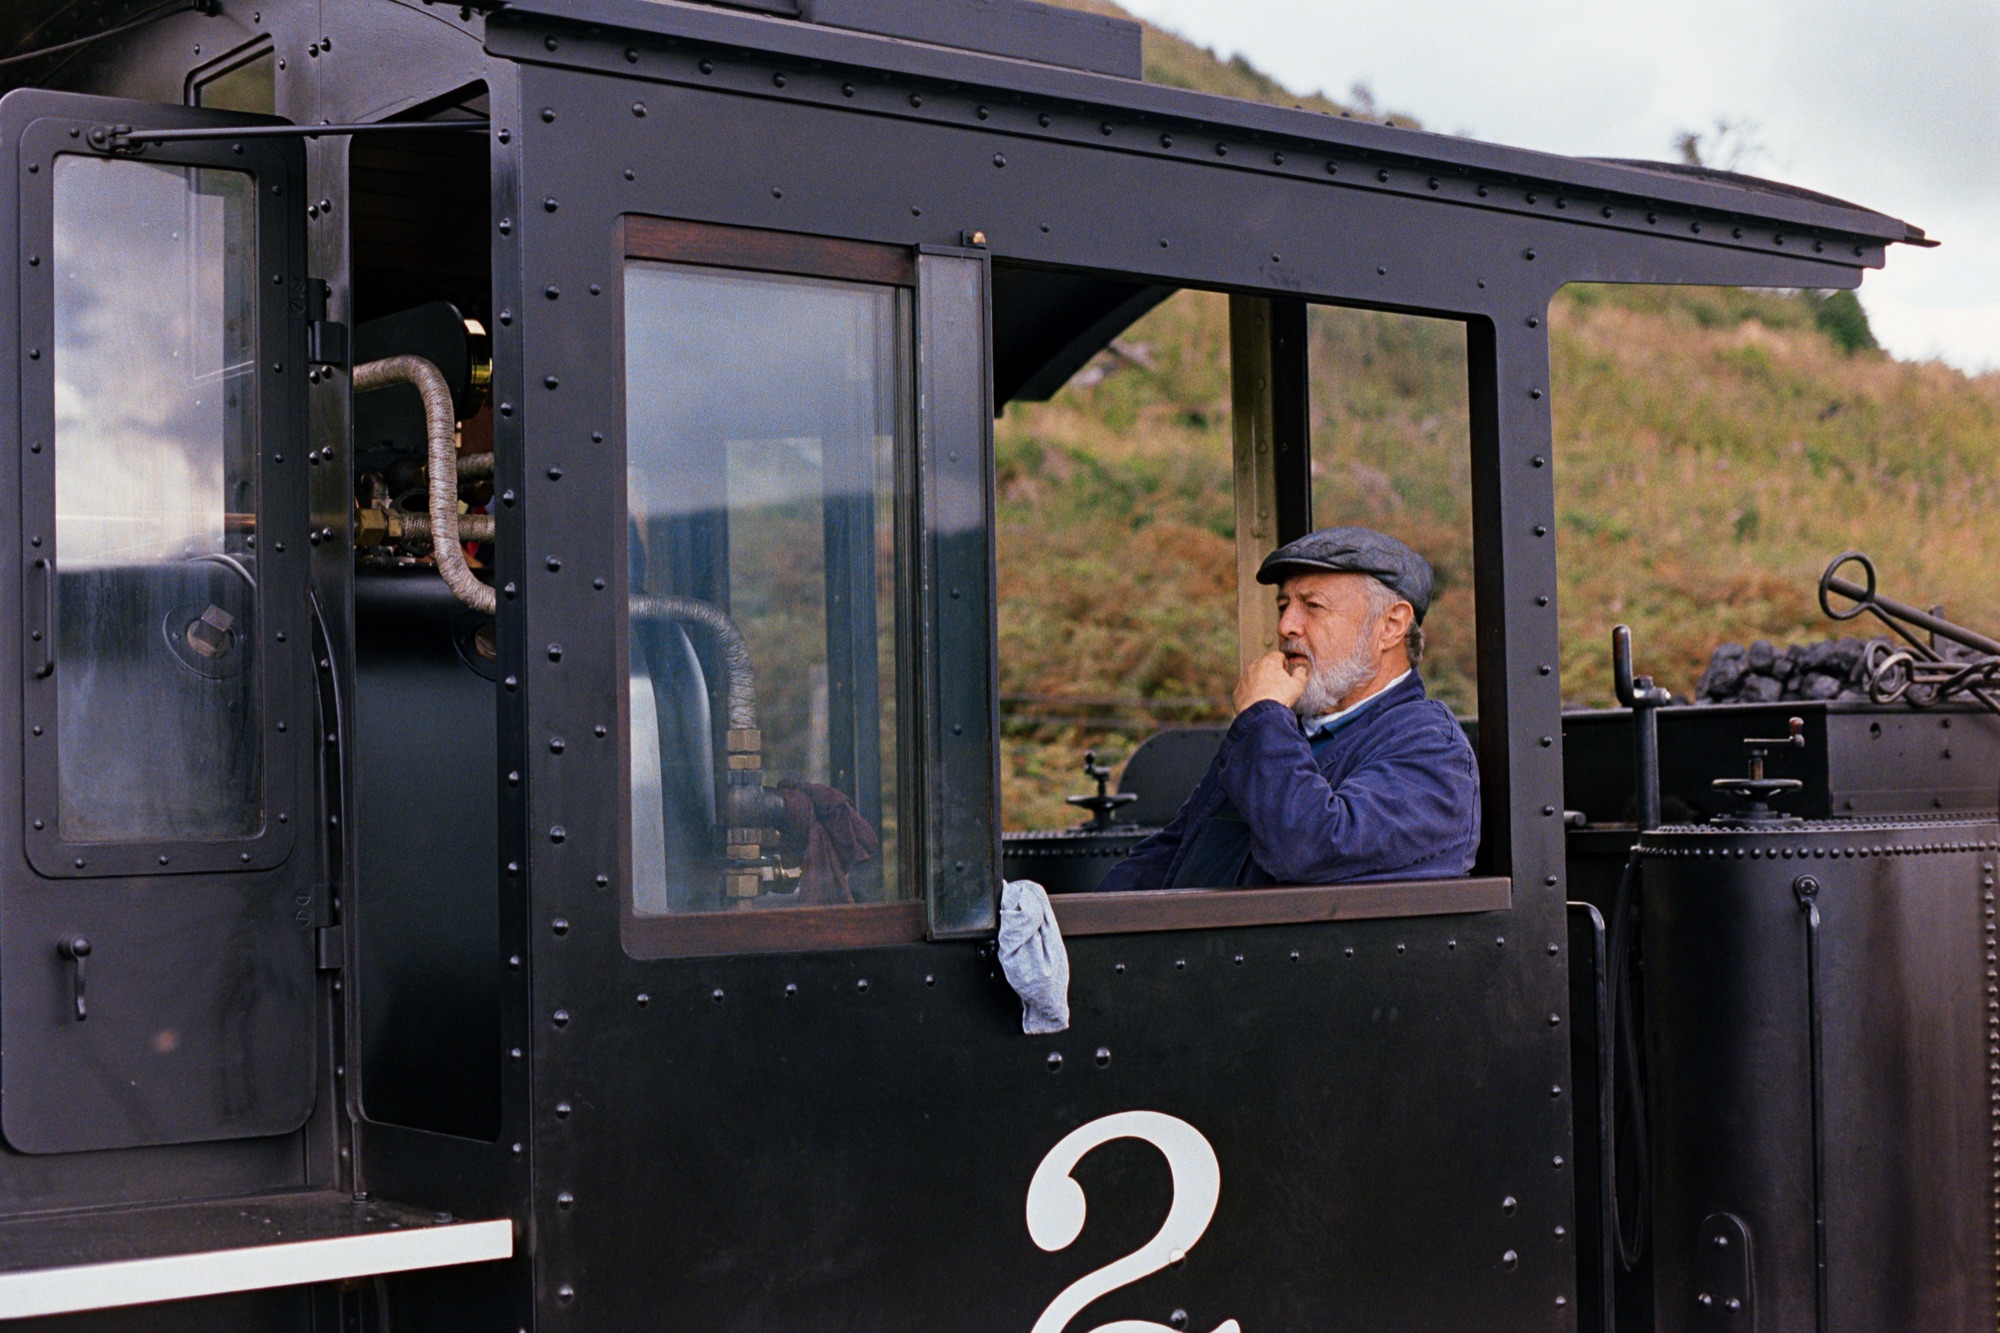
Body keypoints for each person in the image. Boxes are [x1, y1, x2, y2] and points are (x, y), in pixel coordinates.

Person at [1097, 526, 1479, 890]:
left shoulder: (1431, 749)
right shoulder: (1283, 728)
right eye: (1284, 605)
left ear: (1391, 626)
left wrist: (1264, 714)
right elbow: (1173, 853)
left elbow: (1310, 849)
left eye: (1312, 606)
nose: (1286, 626)